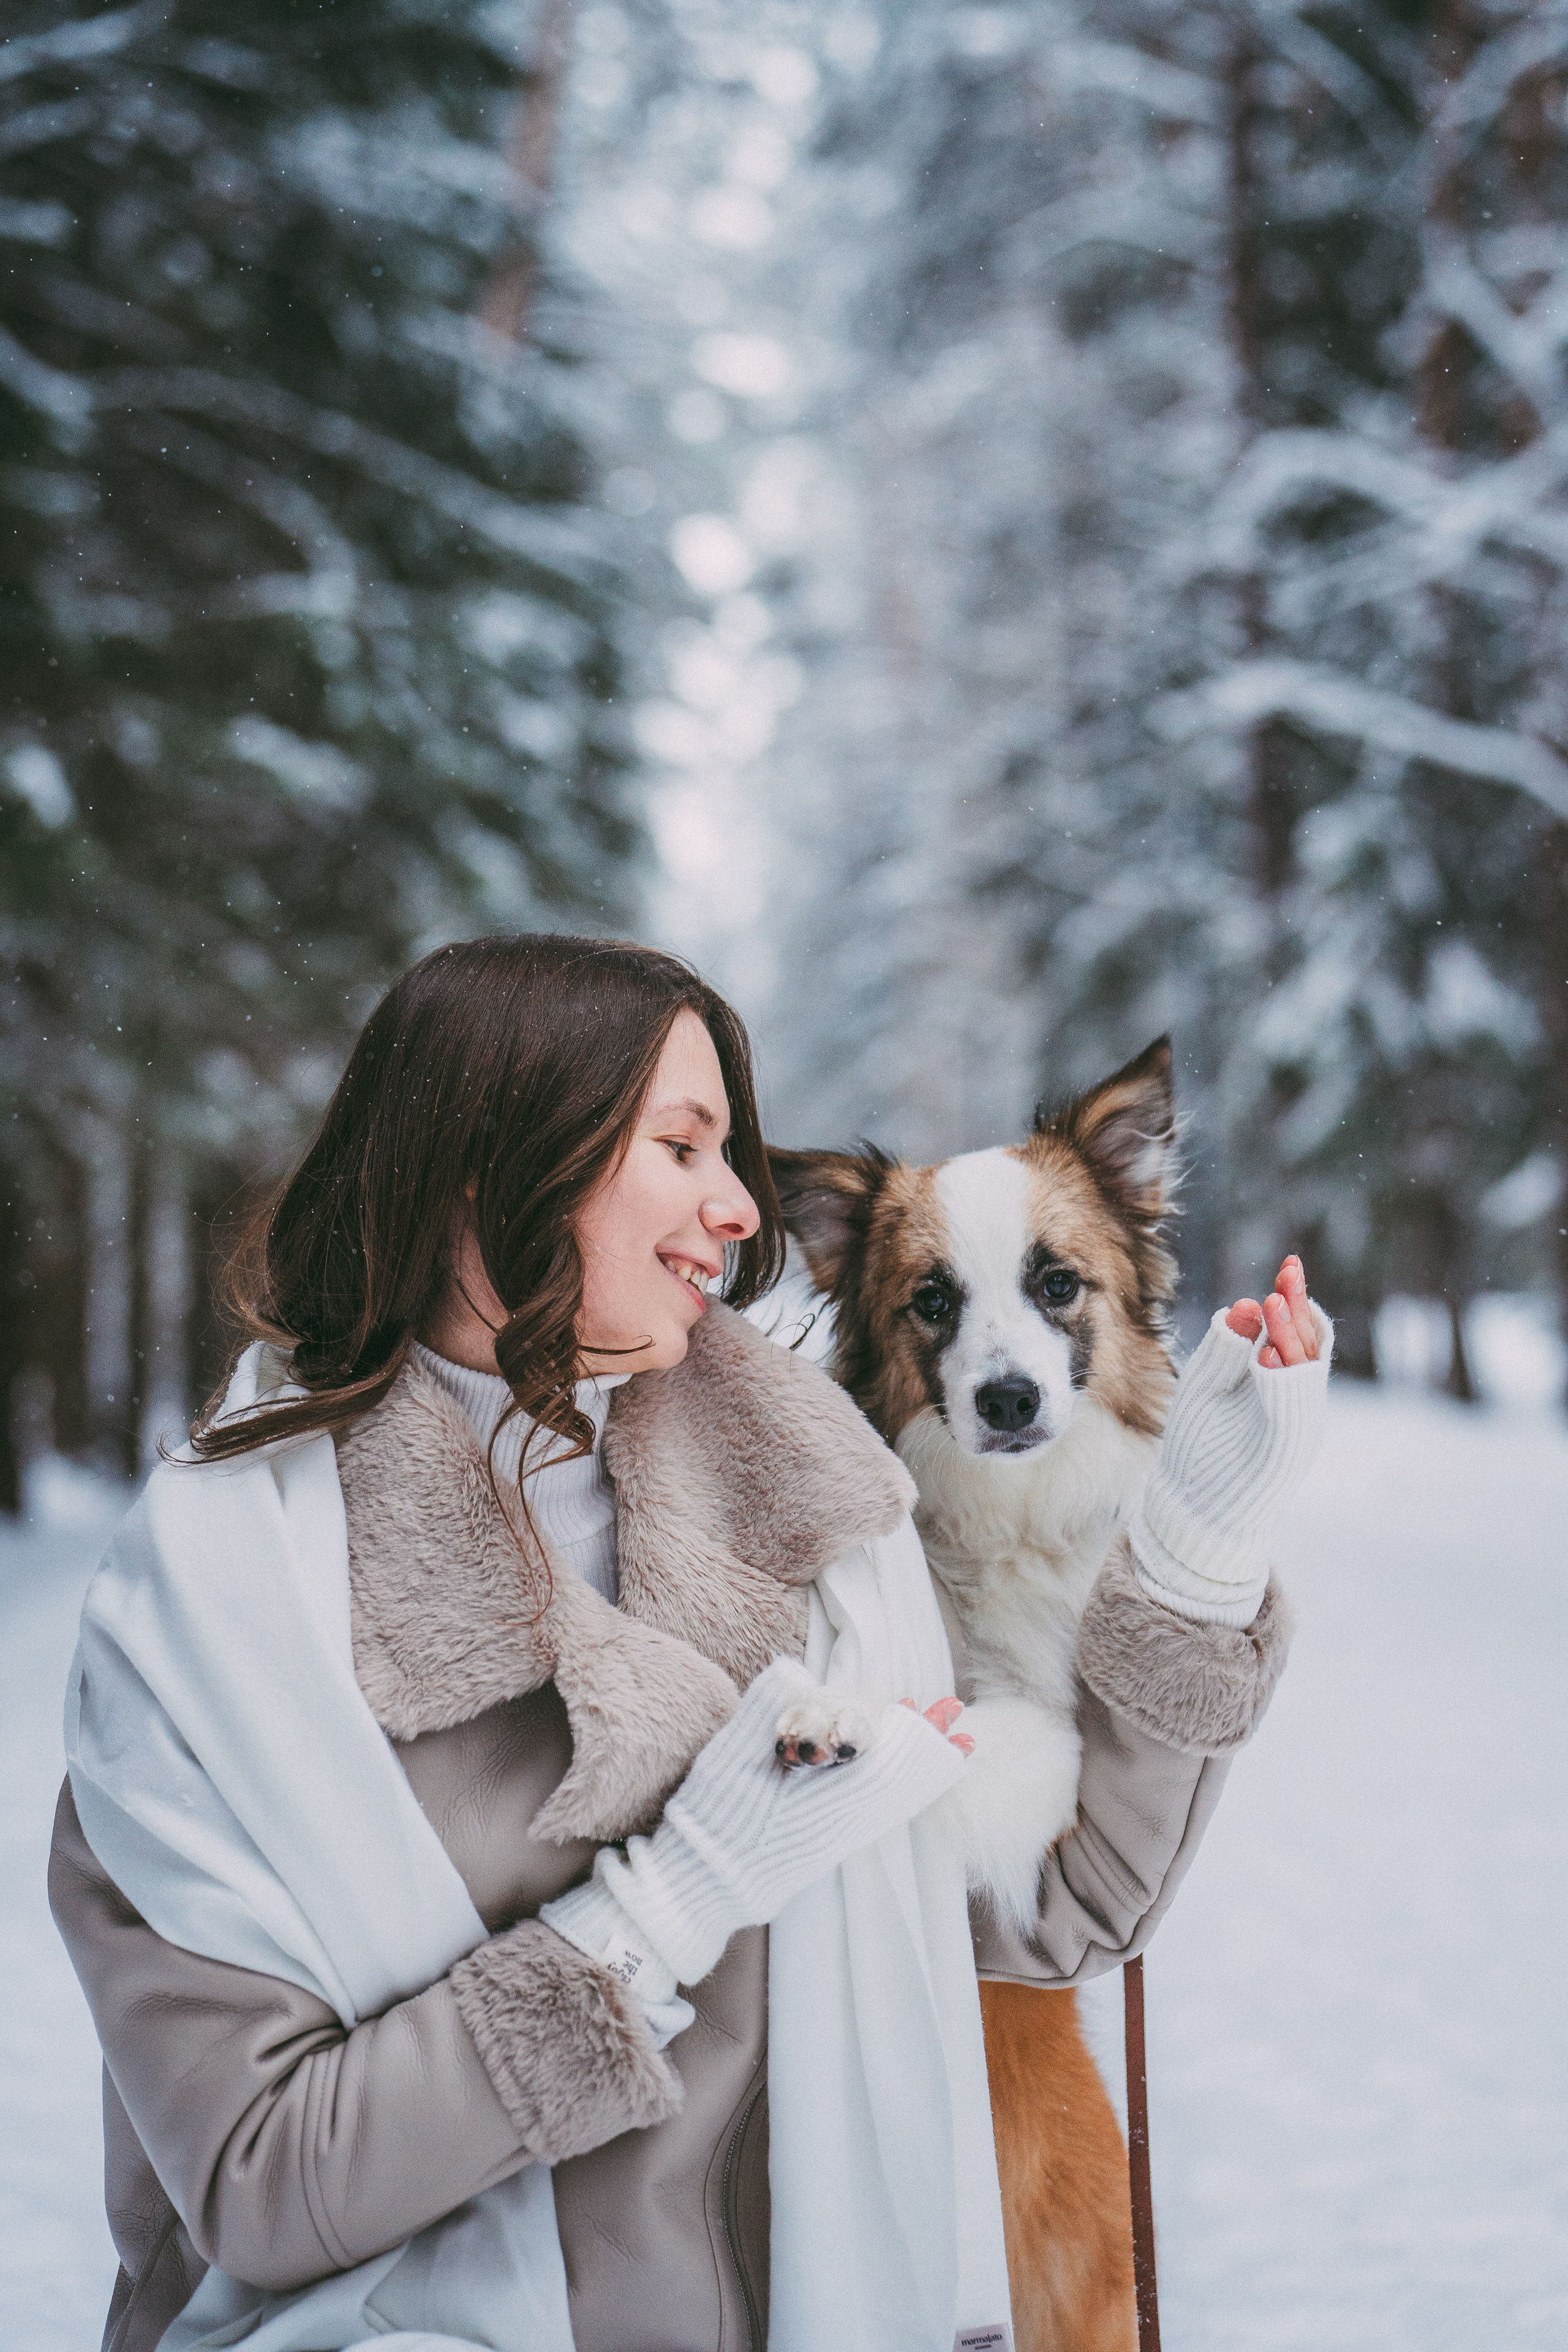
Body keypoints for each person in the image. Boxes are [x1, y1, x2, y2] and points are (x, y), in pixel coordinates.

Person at [49, 934, 1329, 2352]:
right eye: (682, 1146)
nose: (738, 1207)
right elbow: (260, 2185)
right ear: (493, 1166)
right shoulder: (222, 1606)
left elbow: (1052, 1918)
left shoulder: (818, 1517)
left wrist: (1198, 1558)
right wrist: (666, 1906)